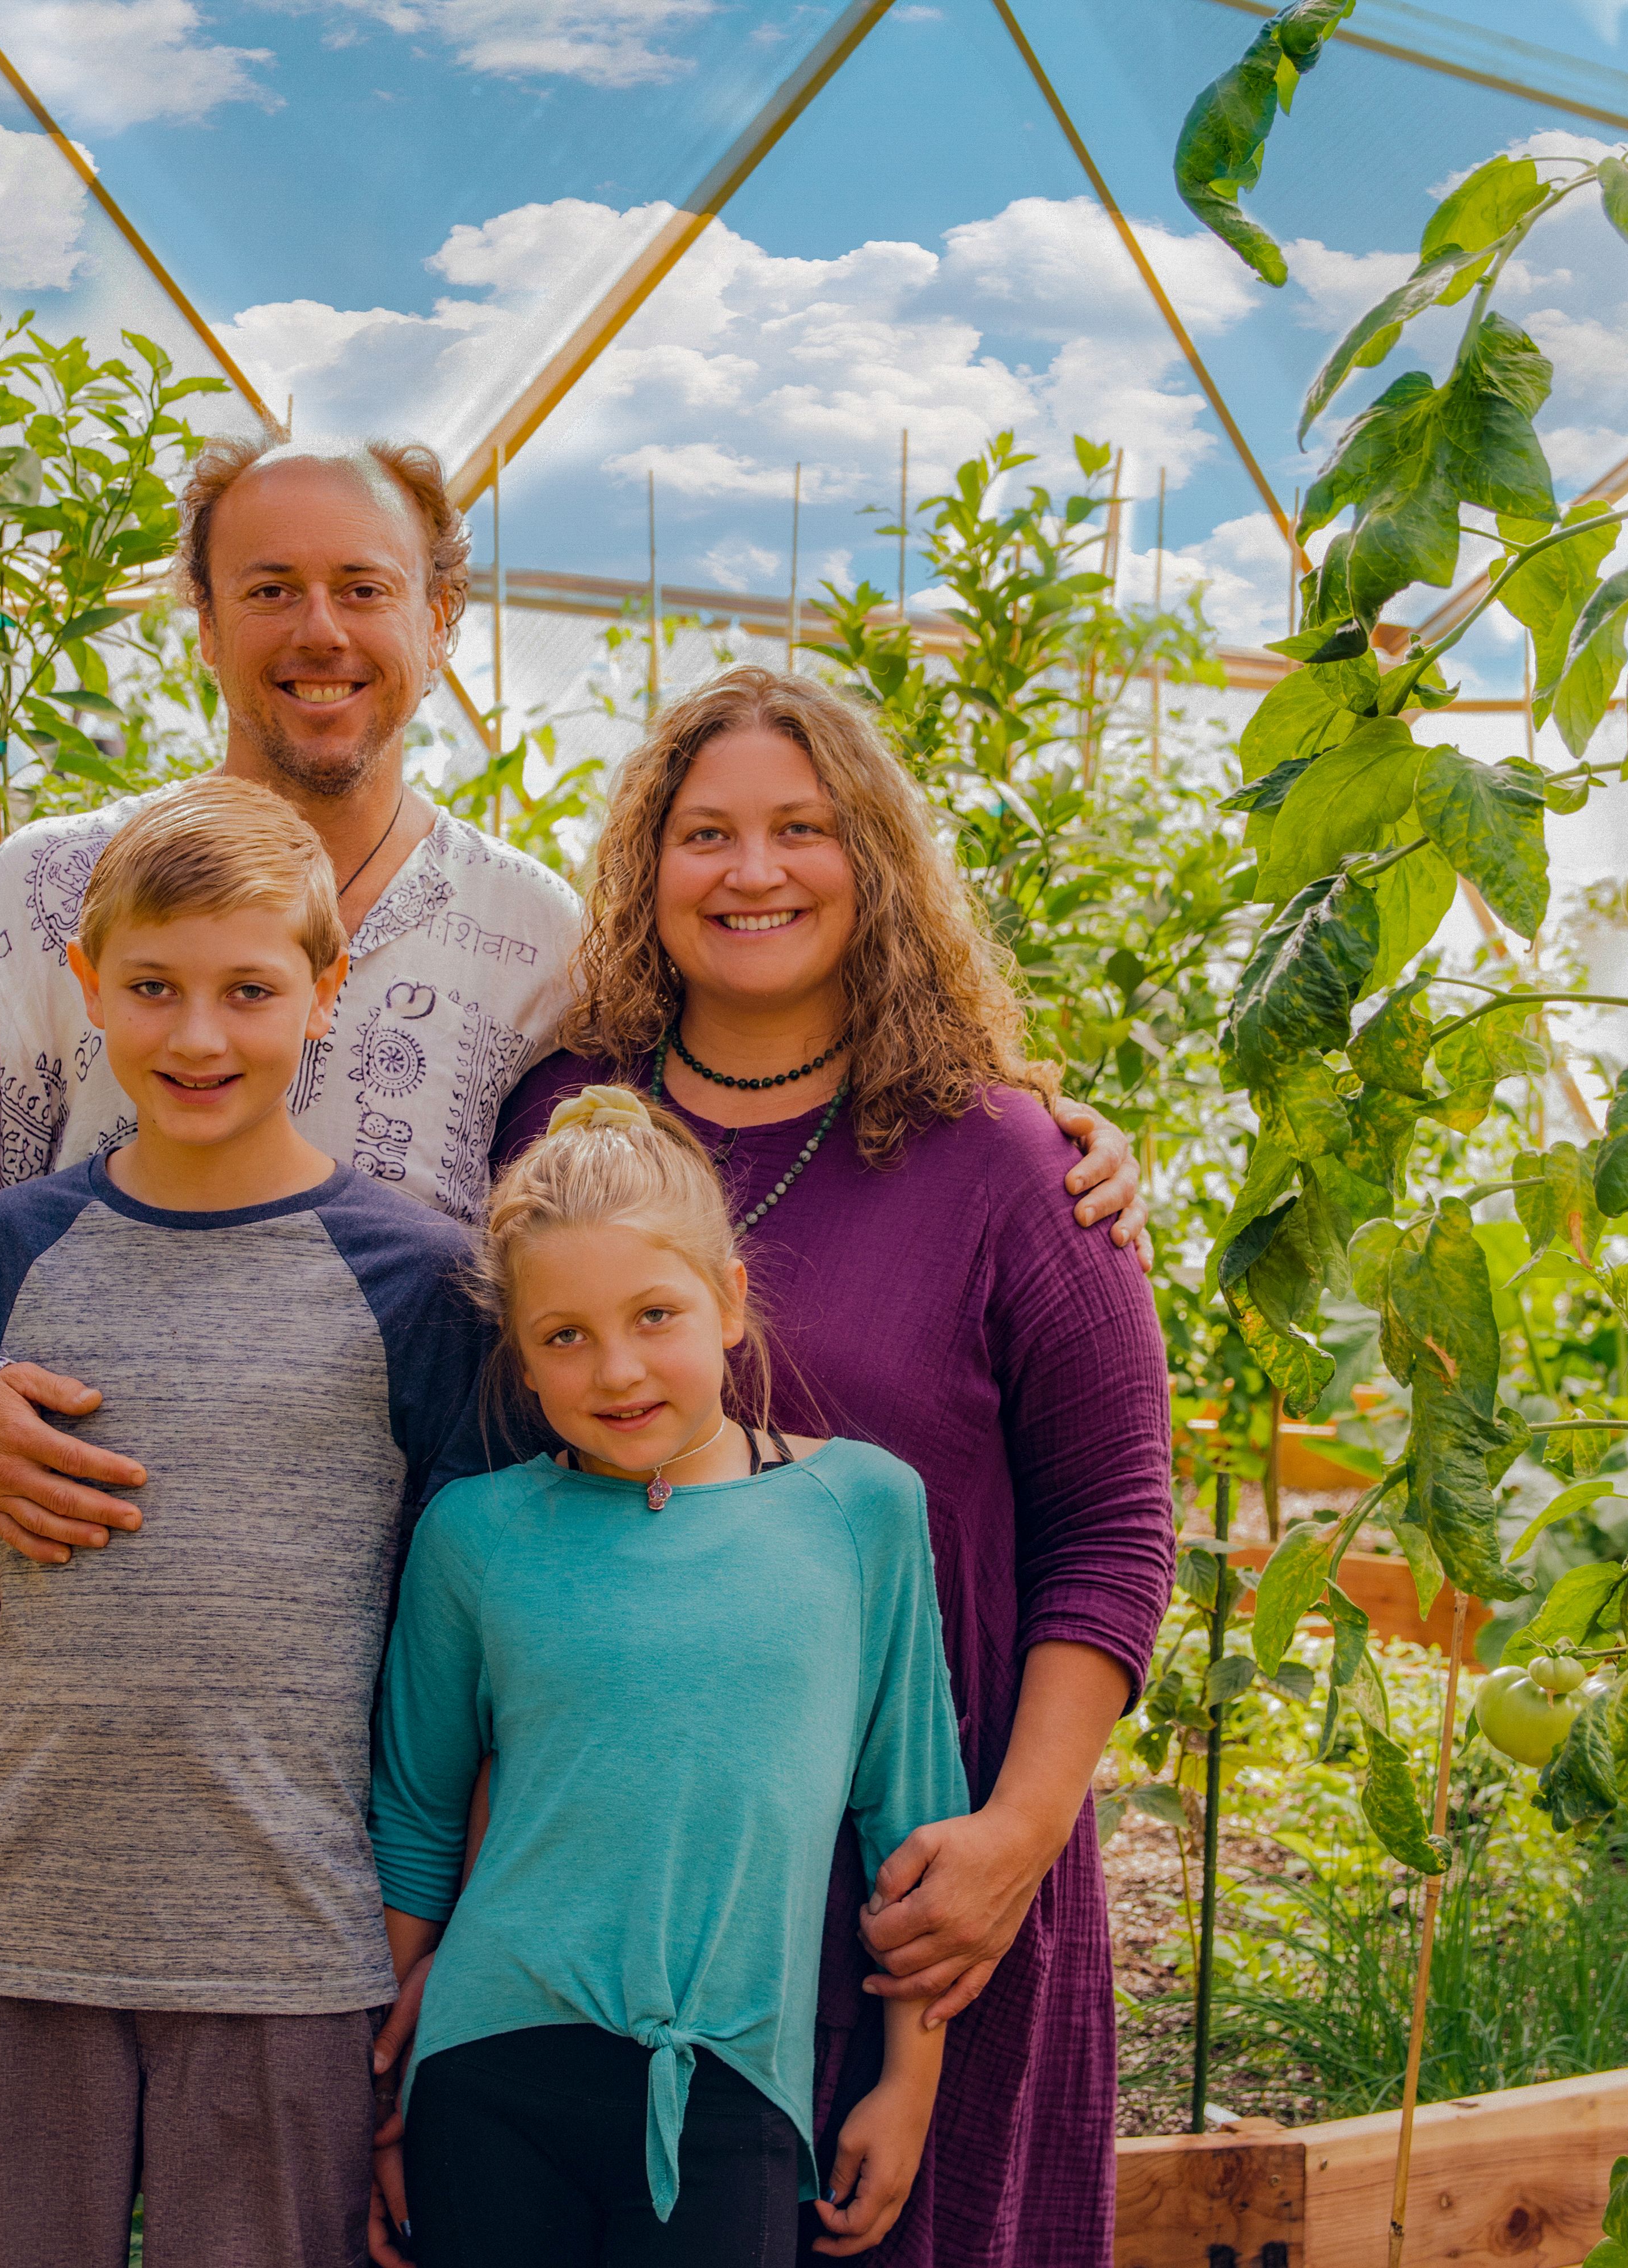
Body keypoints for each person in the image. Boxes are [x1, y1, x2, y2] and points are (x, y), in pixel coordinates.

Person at [0, 433, 1145, 1581]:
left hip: (429, 1667)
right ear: (202, 622)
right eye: (268, 587)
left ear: (440, 619)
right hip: (92, 1639)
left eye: (363, 587)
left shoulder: (535, 944)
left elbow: (752, 1032)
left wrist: (1022, 1120)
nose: (318, 631)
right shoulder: (48, 901)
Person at [487, 666, 1176, 2268]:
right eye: (707, 832)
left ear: (873, 860)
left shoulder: (1009, 1160)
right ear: (646, 871)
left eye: (803, 830)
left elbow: (1117, 1533)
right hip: (624, 1865)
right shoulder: (557, 1123)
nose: (754, 872)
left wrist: (1011, 1839)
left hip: (916, 1881)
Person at [0, 778, 489, 2268]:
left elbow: (462, 1648)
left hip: (294, 1962)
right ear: (89, 989)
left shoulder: (417, 1283)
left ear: (327, 994)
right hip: (11, 1947)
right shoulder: (18, 1245)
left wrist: (426, 1933)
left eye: (249, 991)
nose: (199, 1036)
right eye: (153, 988)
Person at [374, 1085, 967, 2267]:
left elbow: (915, 1821)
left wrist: (909, 2080)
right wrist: (389, 2076)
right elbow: (417, 1817)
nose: (618, 1368)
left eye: (655, 1313)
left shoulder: (862, 1508)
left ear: (731, 1299)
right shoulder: (475, 1532)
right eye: (566, 1335)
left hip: (729, 2077)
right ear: (521, 1354)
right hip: (487, 2066)